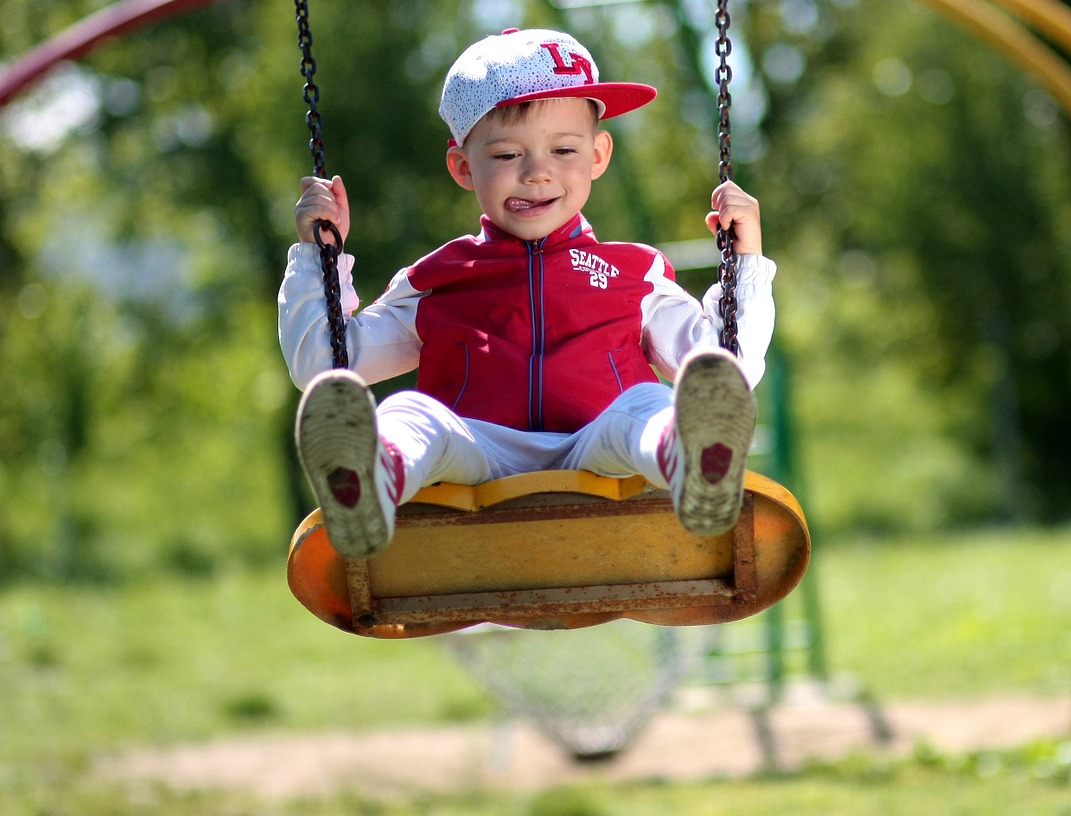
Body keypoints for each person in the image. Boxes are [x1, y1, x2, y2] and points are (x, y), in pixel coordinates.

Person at [279, 28, 776, 559]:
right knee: (409, 415)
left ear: (598, 155)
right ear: (464, 167)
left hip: (597, 450)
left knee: (649, 403)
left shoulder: (634, 272)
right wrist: (318, 257)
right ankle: (369, 482)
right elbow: (325, 365)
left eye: (564, 149)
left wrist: (743, 264)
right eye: (509, 153)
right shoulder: (440, 278)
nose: (538, 173)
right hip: (476, 454)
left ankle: (692, 460)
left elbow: (728, 364)